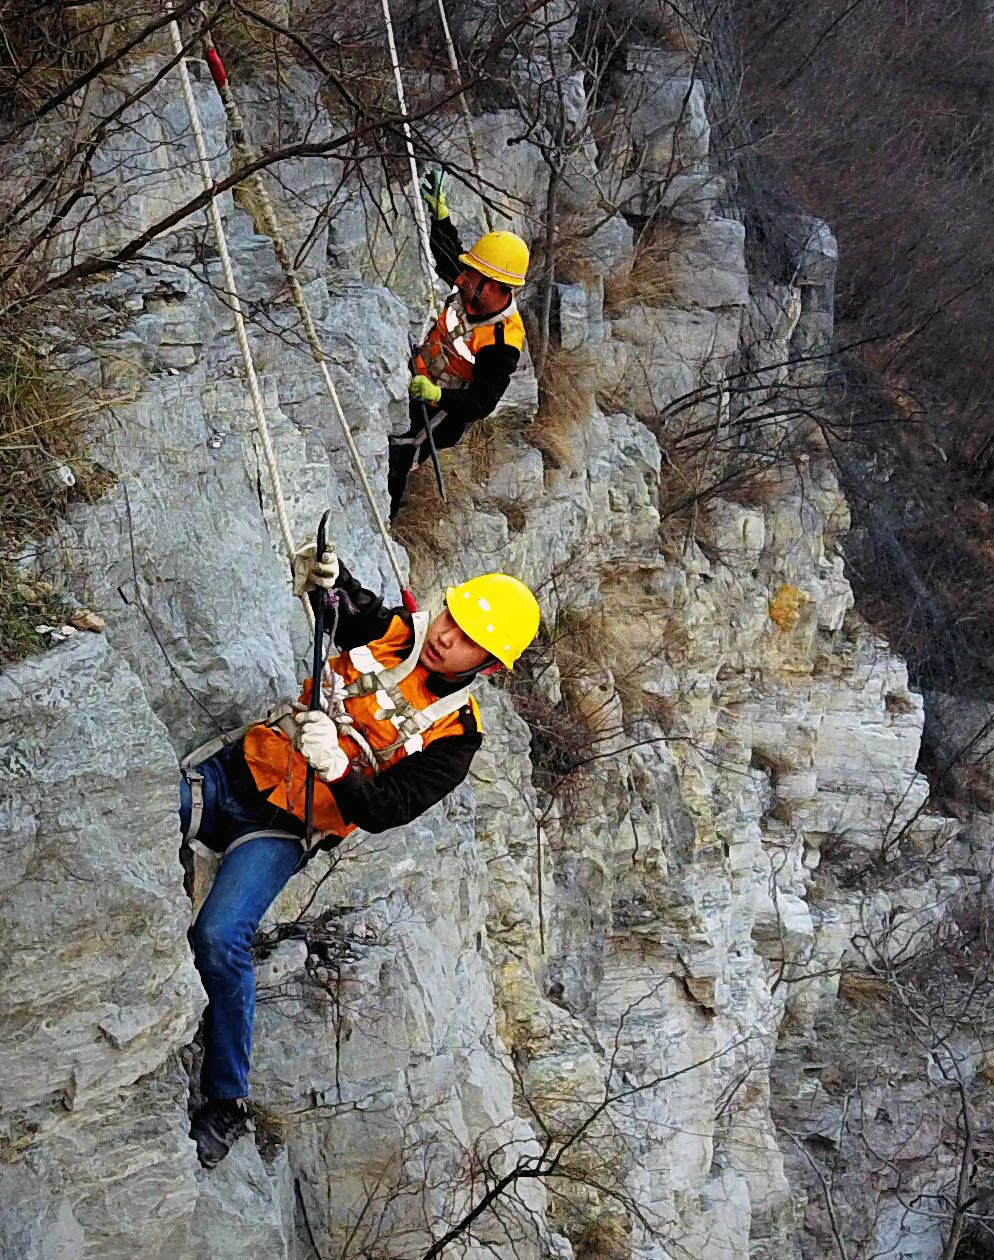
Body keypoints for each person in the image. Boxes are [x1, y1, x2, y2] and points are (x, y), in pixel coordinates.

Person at [180, 542, 540, 1168]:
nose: (446, 637)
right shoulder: (400, 634)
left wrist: (342, 769)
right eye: (451, 618)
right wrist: (328, 577)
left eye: (466, 639)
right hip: (236, 772)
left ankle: (227, 1099)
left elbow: (385, 809)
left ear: (490, 665)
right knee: (146, 810)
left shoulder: (455, 740)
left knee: (219, 936)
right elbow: (349, 607)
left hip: (283, 827)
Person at [389, 168, 530, 515]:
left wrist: (437, 395)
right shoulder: (473, 289)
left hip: (438, 415)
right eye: (468, 274)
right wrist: (441, 215)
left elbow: (482, 401)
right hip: (418, 378)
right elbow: (448, 255)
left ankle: (387, 518)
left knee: (396, 459)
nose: (463, 280)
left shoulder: (502, 341)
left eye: (474, 277)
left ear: (497, 287)